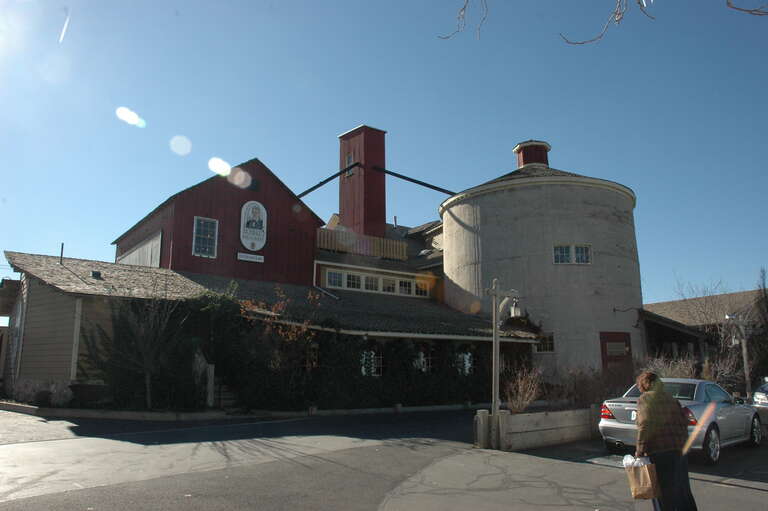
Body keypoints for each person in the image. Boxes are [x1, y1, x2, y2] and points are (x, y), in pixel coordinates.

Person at [635, 371, 698, 511]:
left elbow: (645, 424)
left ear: (643, 385)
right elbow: (684, 422)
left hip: (660, 452)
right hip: (679, 450)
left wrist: (640, 450)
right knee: (683, 493)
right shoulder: (672, 399)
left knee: (664, 495)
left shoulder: (645, 399)